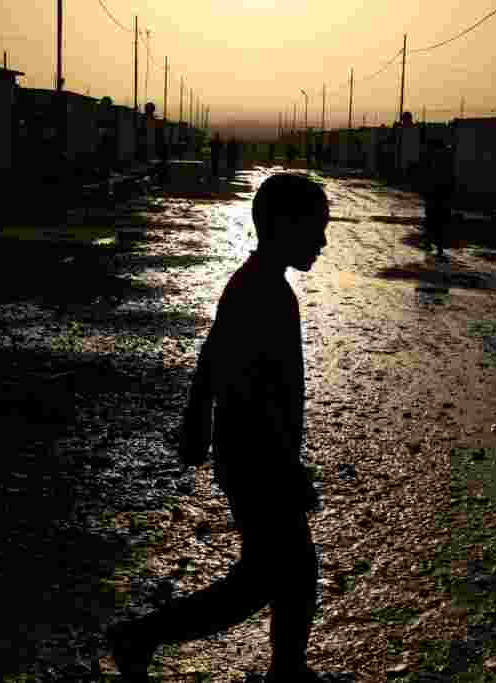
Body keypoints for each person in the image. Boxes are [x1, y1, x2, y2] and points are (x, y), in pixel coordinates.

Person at [106, 173, 330, 683]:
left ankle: (285, 668)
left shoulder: (260, 285)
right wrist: (286, 466)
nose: (322, 241)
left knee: (290, 574)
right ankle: (140, 636)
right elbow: (246, 390)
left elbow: (211, 353)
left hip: (250, 455)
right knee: (263, 581)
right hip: (257, 460)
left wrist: (196, 417)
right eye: (314, 227)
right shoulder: (260, 293)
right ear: (280, 225)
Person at [420, 140, 456, 258]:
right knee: (440, 223)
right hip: (442, 197)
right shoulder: (447, 159)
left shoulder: (432, 159)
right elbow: (451, 179)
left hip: (435, 196)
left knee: (431, 221)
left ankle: (429, 243)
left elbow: (426, 177)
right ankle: (438, 247)